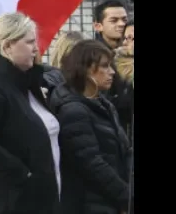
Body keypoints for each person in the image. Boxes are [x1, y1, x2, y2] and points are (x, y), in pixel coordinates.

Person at [0, 13, 60, 214]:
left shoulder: (26, 83)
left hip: (35, 200)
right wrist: (23, 174)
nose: (36, 48)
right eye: (29, 42)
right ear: (8, 47)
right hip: (9, 202)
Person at [50, 40, 132, 214]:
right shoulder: (73, 110)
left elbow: (122, 150)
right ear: (85, 69)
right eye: (105, 66)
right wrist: (126, 196)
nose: (112, 72)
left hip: (111, 201)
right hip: (90, 204)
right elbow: (91, 164)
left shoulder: (102, 103)